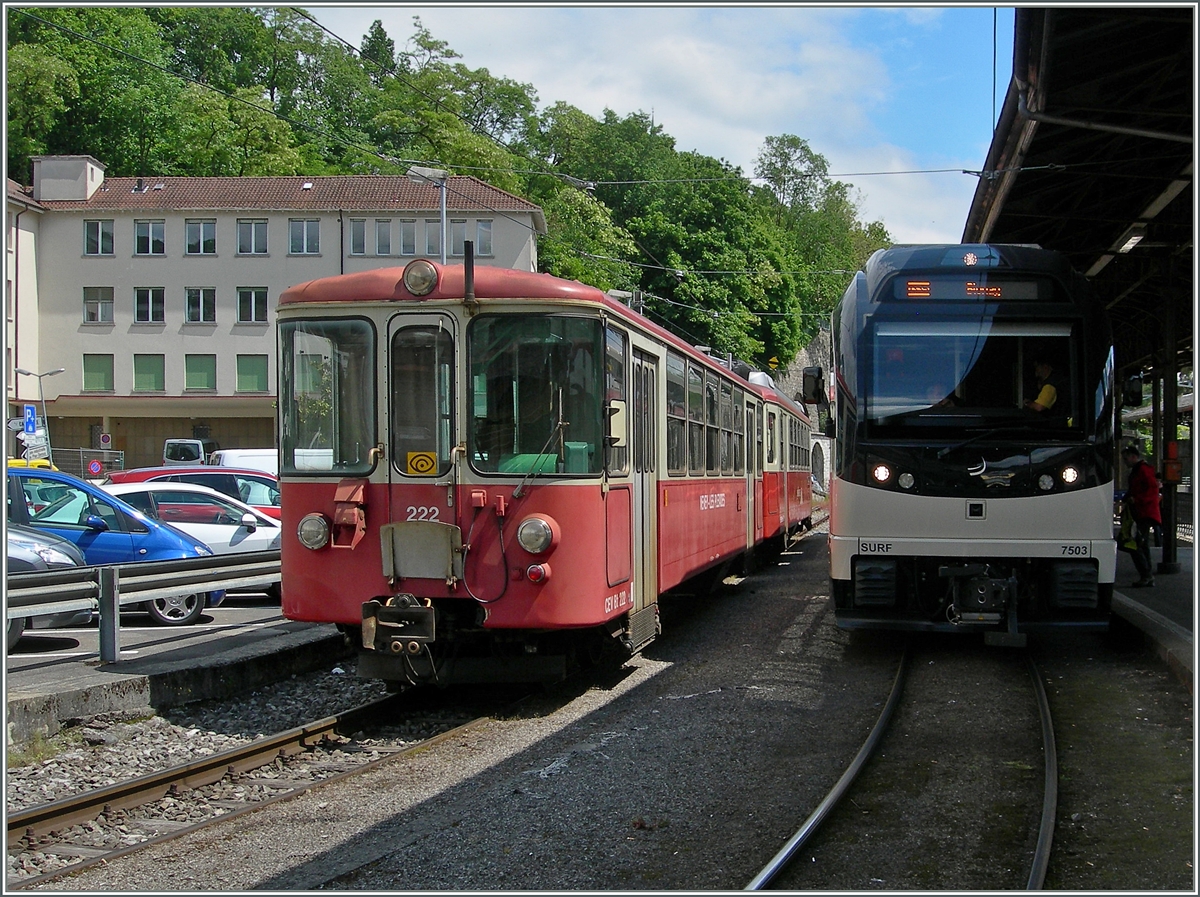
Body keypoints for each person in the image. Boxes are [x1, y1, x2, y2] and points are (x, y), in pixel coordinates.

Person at [1120, 444, 1161, 587]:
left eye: (1126, 459)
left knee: (1134, 543)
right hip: (1142, 511)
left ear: (1133, 457)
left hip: (1144, 511)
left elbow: (1151, 490)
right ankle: (1147, 574)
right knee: (1141, 544)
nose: (1125, 462)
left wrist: (1136, 499)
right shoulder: (1141, 470)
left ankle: (1146, 575)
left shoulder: (1142, 470)